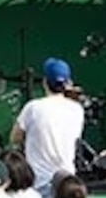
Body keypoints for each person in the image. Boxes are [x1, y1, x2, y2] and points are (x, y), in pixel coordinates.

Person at [15, 61, 85, 191]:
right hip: (67, 184)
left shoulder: (33, 107)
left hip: (39, 183)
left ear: (45, 82)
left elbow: (15, 138)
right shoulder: (77, 110)